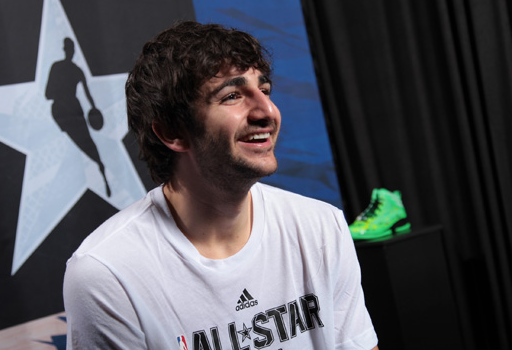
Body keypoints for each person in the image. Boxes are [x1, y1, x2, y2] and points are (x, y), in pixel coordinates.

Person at [63, 21, 379, 350]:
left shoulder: (321, 228)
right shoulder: (106, 275)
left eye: (265, 90)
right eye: (232, 96)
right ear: (173, 132)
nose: (267, 111)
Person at [45, 37, 111, 197]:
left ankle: (102, 171)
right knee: (83, 143)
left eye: (71, 49)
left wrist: (94, 108)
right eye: (69, 49)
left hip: (72, 110)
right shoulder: (60, 67)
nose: (70, 52)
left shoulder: (75, 70)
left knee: (87, 142)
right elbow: (48, 94)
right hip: (63, 111)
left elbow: (87, 93)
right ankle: (100, 168)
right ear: (66, 50)